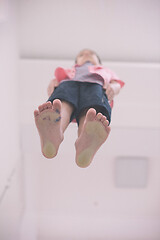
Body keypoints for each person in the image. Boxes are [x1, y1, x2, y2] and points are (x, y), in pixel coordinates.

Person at [34, 49, 124, 168]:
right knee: (61, 103)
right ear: (76, 62)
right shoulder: (69, 71)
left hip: (95, 85)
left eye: (91, 54)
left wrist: (113, 87)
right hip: (69, 83)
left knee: (91, 113)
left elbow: (116, 84)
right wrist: (52, 85)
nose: (86, 55)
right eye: (81, 55)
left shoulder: (105, 71)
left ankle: (85, 140)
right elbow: (54, 84)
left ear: (99, 63)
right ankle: (56, 131)